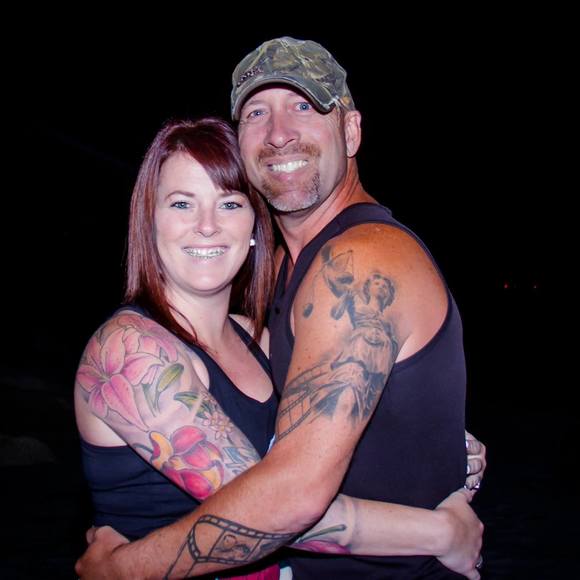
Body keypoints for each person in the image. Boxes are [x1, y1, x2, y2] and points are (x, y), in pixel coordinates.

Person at [76, 38, 487, 580]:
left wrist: (124, 570)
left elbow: (292, 489)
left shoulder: (355, 263)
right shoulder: (262, 301)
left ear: (352, 132)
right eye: (256, 113)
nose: (278, 132)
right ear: (146, 220)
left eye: (304, 105)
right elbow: (292, 477)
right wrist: (439, 521)